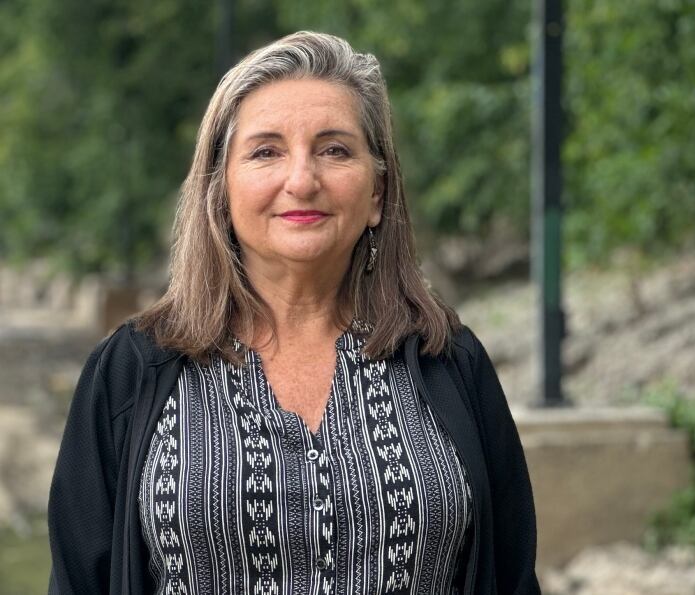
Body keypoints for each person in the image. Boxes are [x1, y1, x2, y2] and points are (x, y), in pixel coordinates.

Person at [47, 31, 540, 595]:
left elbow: (512, 576)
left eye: (334, 150)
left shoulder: (447, 360)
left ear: (377, 193)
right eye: (265, 152)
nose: (302, 180)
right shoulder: (131, 371)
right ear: (220, 191)